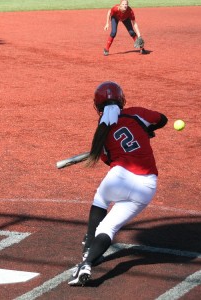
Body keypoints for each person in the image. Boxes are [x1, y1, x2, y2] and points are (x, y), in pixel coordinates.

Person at [68, 81, 168, 286]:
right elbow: (162, 119)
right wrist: (149, 129)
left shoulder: (101, 133)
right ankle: (86, 261)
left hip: (119, 176)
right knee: (110, 227)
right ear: (122, 100)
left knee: (101, 200)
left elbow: (108, 160)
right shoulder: (136, 114)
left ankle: (88, 247)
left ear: (97, 106)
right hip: (147, 185)